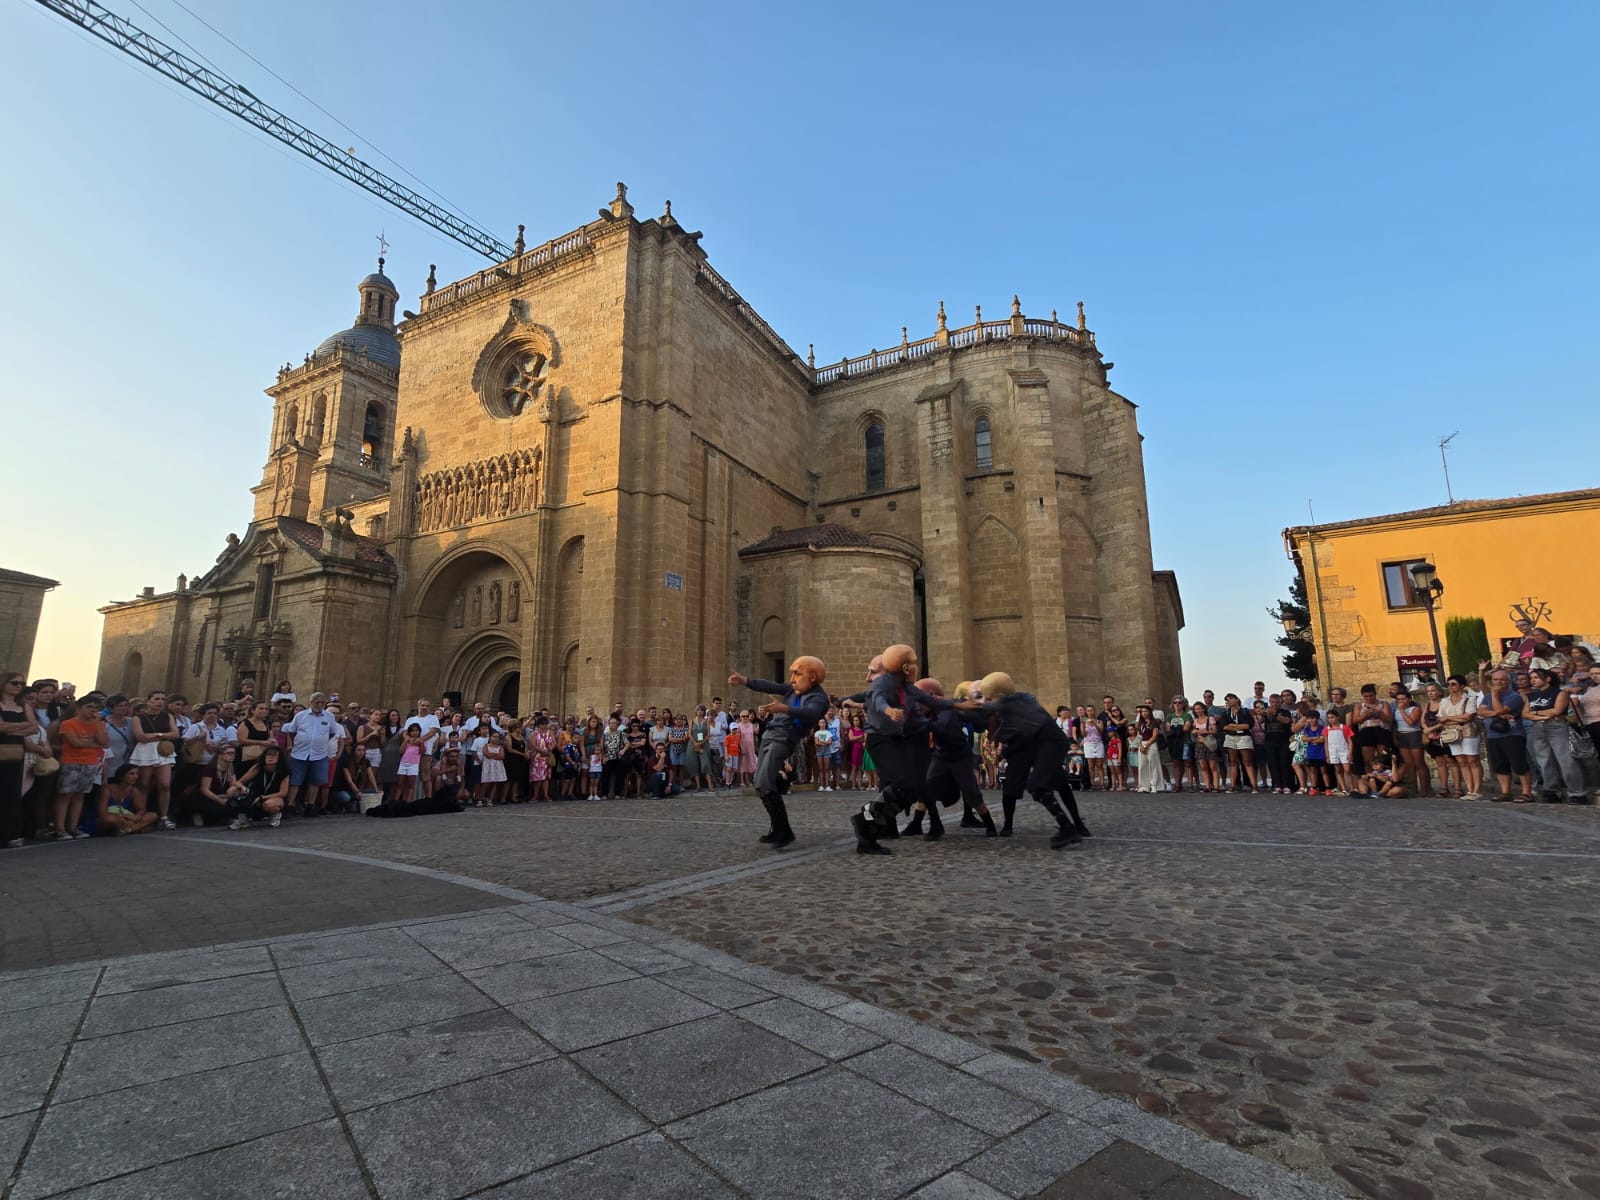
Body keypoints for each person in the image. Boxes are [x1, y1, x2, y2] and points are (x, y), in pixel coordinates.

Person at [948, 671, 1088, 848]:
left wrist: (950, 704)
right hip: (1026, 747)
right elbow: (980, 718)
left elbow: (982, 708)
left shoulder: (1010, 702)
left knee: (1044, 786)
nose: (986, 700)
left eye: (988, 697)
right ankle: (1066, 827)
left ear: (997, 696)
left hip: (1045, 744)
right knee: (1023, 788)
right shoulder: (1019, 700)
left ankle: (1071, 827)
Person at [729, 655, 829, 850]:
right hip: (770, 735)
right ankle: (778, 829)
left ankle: (784, 831)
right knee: (760, 785)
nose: (792, 679)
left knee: (765, 784)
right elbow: (770, 686)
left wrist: (785, 708)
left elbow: (811, 713)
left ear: (812, 677)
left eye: (797, 674)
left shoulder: (818, 698)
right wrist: (744, 681)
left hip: (783, 738)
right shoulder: (792, 690)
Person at [1524, 666, 1589, 804]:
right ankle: (1551, 790)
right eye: (1531, 678)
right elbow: (1525, 714)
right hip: (1538, 727)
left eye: (1536, 677)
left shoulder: (1559, 693)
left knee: (1566, 759)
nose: (1533, 680)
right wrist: (1540, 714)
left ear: (1547, 678)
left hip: (1557, 726)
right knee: (1544, 760)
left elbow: (1557, 711)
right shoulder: (1531, 696)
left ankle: (1577, 792)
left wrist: (1535, 713)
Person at [1478, 668, 1532, 802]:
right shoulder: (1487, 697)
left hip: (1512, 734)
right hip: (1493, 735)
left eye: (1502, 679)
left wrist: (1495, 698)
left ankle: (1527, 792)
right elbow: (1481, 712)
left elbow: (1500, 709)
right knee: (1499, 765)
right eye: (1495, 679)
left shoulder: (1514, 697)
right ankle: (1505, 792)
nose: (1498, 682)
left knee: (1519, 765)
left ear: (1508, 681)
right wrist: (1497, 713)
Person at [129, 689, 179, 829]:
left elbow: (175, 734)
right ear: (149, 701)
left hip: (163, 751)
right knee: (144, 784)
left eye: (163, 699)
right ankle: (142, 814)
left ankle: (163, 816)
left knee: (165, 784)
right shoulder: (138, 717)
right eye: (156, 699)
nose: (160, 702)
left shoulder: (167, 716)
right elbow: (141, 737)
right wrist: (163, 734)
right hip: (145, 752)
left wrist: (155, 735)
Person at [283, 691, 338, 817]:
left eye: (322, 702)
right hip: (299, 753)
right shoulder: (301, 716)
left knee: (316, 781)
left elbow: (332, 732)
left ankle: (310, 805)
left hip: (319, 754)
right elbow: (291, 732)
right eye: (317, 702)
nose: (319, 705)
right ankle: (290, 805)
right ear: (311, 702)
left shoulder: (329, 716)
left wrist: (319, 741)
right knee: (295, 781)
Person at [1437, 674, 1483, 799]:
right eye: (1448, 684)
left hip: (1468, 732)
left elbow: (1468, 716)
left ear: (1462, 686)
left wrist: (1448, 718)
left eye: (1453, 684)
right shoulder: (1444, 701)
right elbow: (1441, 718)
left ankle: (1477, 790)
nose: (1450, 687)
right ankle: (1469, 789)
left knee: (1472, 760)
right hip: (1452, 734)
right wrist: (1455, 719)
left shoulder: (1469, 699)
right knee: (1461, 761)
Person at [89, 764, 159, 836]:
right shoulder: (108, 789)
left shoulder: (133, 790)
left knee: (152, 815)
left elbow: (142, 809)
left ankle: (127, 830)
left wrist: (137, 816)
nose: (135, 776)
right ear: (122, 776)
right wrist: (126, 816)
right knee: (110, 819)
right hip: (109, 819)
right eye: (131, 774)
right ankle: (136, 828)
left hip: (127, 820)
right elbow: (102, 814)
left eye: (137, 774)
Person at [1219, 694, 1257, 792]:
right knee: (1233, 762)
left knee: (1247, 761)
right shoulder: (1226, 713)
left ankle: (1253, 785)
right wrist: (1238, 726)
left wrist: (1233, 725)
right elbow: (1224, 727)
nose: (1229, 701)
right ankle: (1233, 785)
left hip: (1244, 737)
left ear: (1236, 699)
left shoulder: (1244, 712)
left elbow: (1248, 726)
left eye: (1231, 699)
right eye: (1227, 700)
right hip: (1231, 737)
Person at [477, 729, 508, 806]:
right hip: (488, 766)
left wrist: (492, 755)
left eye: (497, 737)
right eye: (494, 736)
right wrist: (496, 755)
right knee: (486, 783)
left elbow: (502, 756)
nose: (496, 738)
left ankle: (490, 800)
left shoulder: (500, 747)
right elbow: (486, 754)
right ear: (490, 737)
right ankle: (480, 799)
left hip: (497, 766)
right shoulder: (486, 746)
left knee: (494, 783)